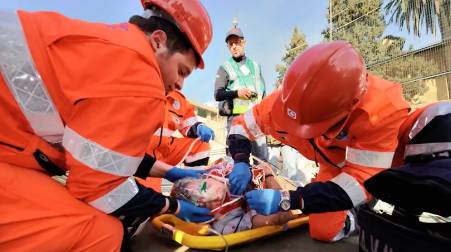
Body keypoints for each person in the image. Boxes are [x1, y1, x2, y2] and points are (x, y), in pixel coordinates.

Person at [0, 0, 213, 251]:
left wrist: (167, 172)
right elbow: (96, 189)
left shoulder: (111, 44)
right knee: (102, 233)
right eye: (181, 71)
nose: (179, 84)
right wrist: (172, 206)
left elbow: (93, 153)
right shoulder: (141, 80)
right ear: (158, 40)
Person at [227, 41, 411, 242]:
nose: (303, 133)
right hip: (331, 165)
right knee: (324, 231)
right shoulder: (283, 104)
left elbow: (361, 181)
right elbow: (240, 127)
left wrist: (288, 200)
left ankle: (362, 215)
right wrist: (241, 161)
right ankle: (351, 212)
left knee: (363, 194)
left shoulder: (382, 111)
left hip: (370, 170)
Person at [213, 22, 268, 164]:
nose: (234, 47)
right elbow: (218, 94)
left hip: (257, 120)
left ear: (244, 42)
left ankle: (261, 186)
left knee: (262, 162)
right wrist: (237, 93)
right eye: (230, 44)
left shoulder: (256, 67)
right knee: (236, 162)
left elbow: (264, 94)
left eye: (236, 42)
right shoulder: (225, 67)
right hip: (236, 121)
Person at [142, 90, 215, 191]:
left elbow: (188, 123)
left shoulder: (179, 99)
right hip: (139, 154)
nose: (180, 83)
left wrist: (198, 127)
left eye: (186, 75)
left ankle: (193, 191)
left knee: (200, 143)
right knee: (147, 197)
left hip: (164, 149)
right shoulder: (141, 89)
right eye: (180, 73)